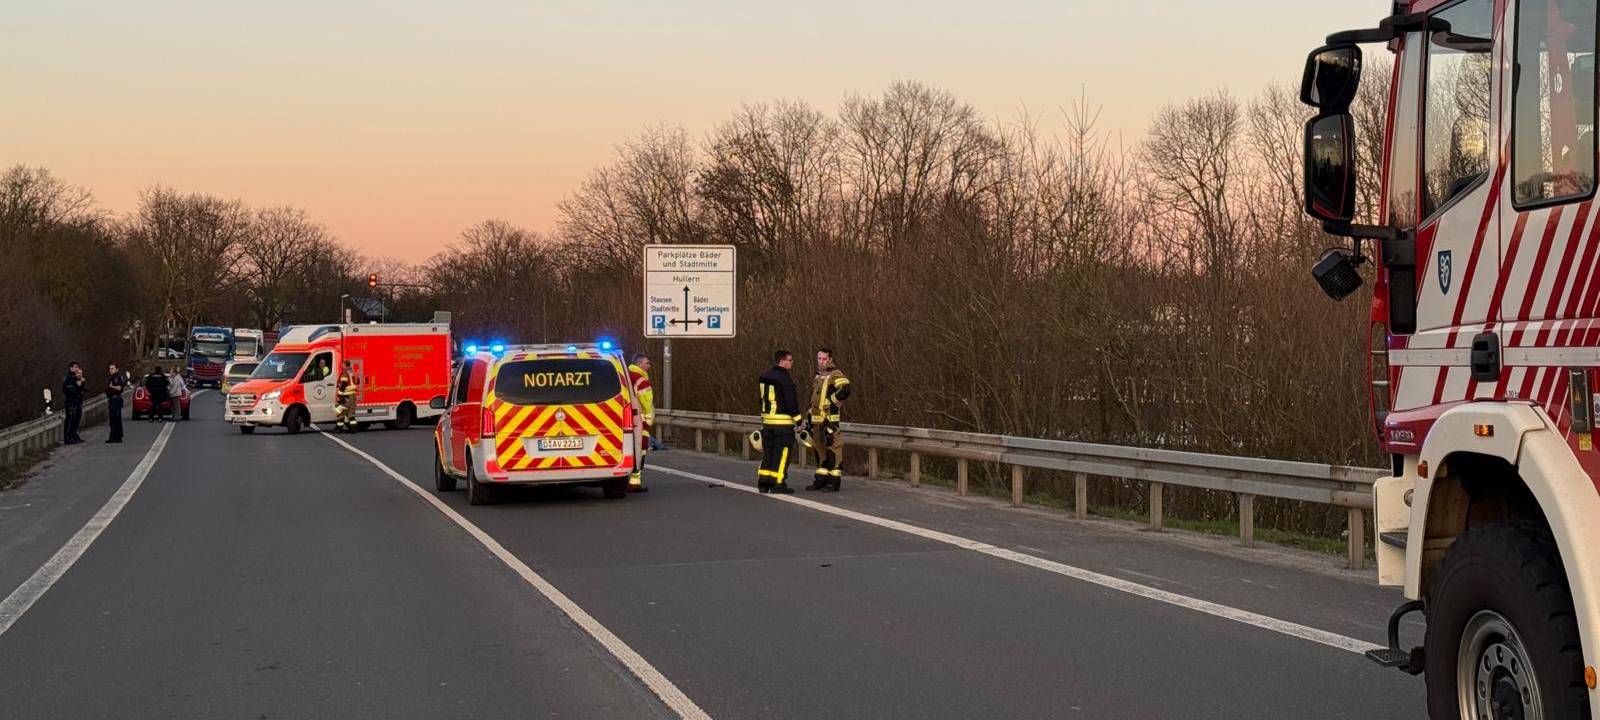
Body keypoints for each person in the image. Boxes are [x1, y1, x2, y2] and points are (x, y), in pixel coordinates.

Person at [806, 348, 852, 492]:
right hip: (816, 422)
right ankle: (820, 480)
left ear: (830, 359)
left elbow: (846, 388)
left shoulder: (835, 374)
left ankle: (833, 482)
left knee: (833, 451)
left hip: (829, 421)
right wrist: (807, 417)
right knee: (819, 451)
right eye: (819, 358)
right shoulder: (818, 376)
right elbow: (815, 400)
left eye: (824, 359)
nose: (821, 361)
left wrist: (832, 400)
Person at [756, 349, 802, 494]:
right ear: (782, 361)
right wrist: (799, 420)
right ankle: (778, 484)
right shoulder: (785, 378)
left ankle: (764, 483)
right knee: (782, 455)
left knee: (768, 453)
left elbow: (761, 399)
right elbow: (790, 401)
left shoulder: (764, 377)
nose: (792, 362)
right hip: (783, 424)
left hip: (768, 423)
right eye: (790, 360)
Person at [627, 353, 655, 492]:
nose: (649, 366)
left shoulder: (625, 375)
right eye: (647, 363)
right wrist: (649, 414)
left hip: (627, 419)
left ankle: (630, 480)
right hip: (641, 420)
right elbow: (646, 400)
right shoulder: (640, 379)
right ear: (639, 364)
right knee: (641, 450)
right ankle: (634, 482)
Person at [62, 362, 85, 443]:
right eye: (75, 367)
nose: (76, 369)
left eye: (77, 367)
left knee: (76, 419)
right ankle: (68, 437)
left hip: (78, 401)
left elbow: (82, 390)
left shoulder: (78, 378)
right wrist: (76, 385)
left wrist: (82, 383)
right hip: (71, 402)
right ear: (71, 368)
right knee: (70, 419)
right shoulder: (69, 378)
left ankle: (74, 435)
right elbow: (67, 390)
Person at [335, 361, 358, 432]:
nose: (342, 366)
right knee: (351, 413)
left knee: (341, 411)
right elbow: (356, 382)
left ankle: (339, 428)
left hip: (346, 395)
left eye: (343, 365)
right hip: (353, 395)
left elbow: (344, 384)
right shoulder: (353, 372)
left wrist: (339, 394)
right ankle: (353, 429)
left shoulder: (345, 373)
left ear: (345, 365)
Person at [105, 363, 126, 443]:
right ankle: (117, 436)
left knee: (114, 419)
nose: (110, 370)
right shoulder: (112, 377)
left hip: (115, 400)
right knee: (114, 419)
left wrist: (111, 387)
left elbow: (120, 388)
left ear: (116, 369)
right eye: (110, 368)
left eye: (112, 368)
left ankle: (114, 437)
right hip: (112, 399)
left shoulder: (117, 378)